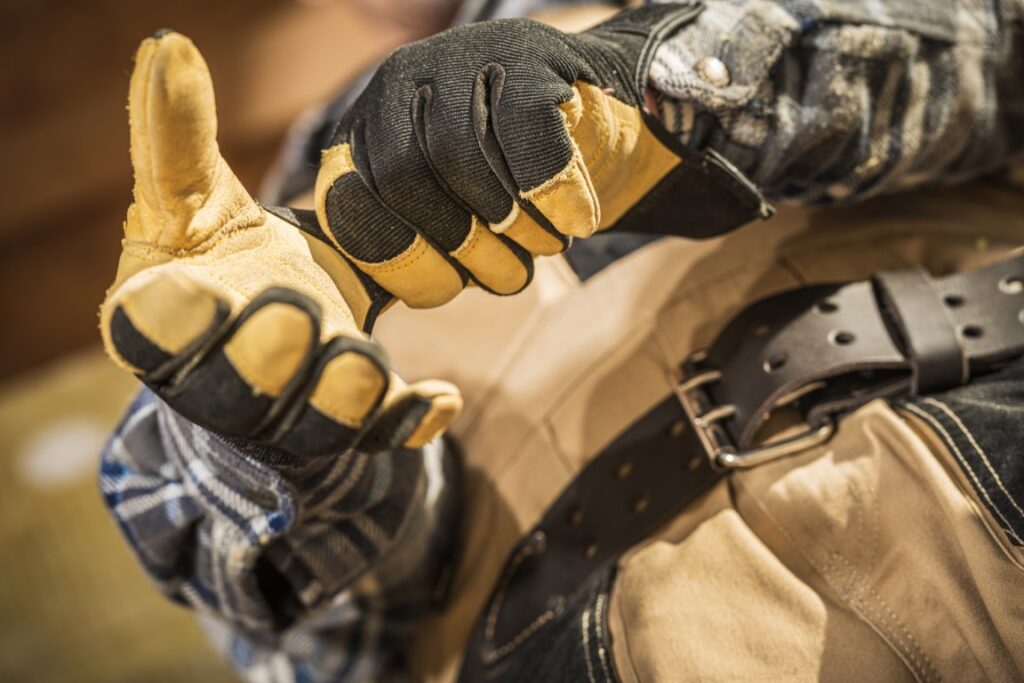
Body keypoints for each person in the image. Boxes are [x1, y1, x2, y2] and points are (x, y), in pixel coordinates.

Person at [98, 1, 1024, 681]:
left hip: (973, 450)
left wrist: (662, 92)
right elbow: (333, 652)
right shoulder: (256, 210)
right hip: (607, 646)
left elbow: (999, 60)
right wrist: (280, 444)